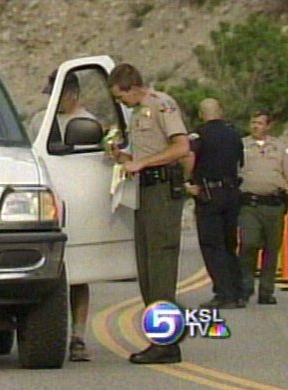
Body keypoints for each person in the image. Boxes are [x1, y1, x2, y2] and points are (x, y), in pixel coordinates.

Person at [108, 63, 190, 365]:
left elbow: (181, 146)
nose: (121, 103)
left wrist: (144, 164)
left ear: (131, 87)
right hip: (143, 191)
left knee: (160, 268)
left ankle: (166, 342)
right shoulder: (137, 113)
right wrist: (124, 156)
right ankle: (161, 336)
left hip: (162, 190)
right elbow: (142, 151)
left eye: (121, 96)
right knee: (145, 269)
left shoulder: (161, 105)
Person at [35, 69, 96, 362]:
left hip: (78, 206)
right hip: (44, 206)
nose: (52, 102)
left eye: (57, 95)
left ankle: (78, 336)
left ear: (72, 94)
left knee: (78, 274)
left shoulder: (87, 124)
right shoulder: (40, 121)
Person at [183, 98, 246, 309]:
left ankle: (224, 293)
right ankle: (239, 291)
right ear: (221, 111)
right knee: (230, 243)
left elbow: (189, 156)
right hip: (231, 192)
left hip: (209, 194)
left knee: (212, 244)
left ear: (201, 114)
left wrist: (186, 180)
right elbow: (240, 162)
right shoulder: (234, 134)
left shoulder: (198, 135)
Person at [238, 110, 288, 305]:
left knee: (271, 248)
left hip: (274, 204)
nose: (255, 126)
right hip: (249, 204)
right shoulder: (241, 146)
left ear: (268, 126)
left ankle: (266, 291)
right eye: (253, 122)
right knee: (249, 243)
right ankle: (245, 288)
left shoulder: (279, 147)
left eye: (260, 123)